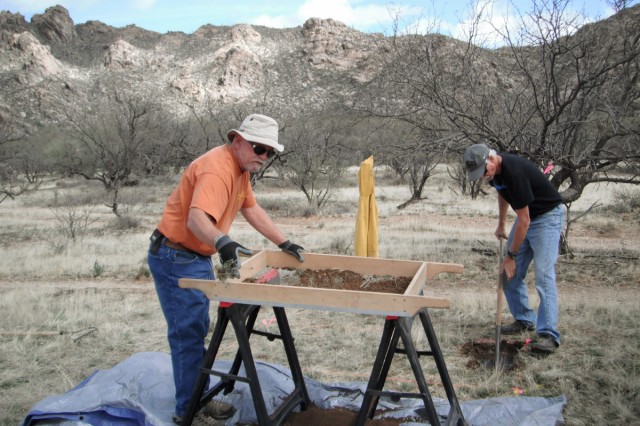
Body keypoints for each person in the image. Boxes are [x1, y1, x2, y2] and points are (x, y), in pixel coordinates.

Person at [148, 113, 305, 424]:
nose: (264, 157)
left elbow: (251, 208)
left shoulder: (239, 169)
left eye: (269, 152)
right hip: (176, 255)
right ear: (238, 142)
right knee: (188, 333)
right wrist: (223, 241)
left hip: (196, 255)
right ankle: (188, 410)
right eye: (259, 148)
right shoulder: (217, 170)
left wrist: (284, 242)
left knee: (196, 329)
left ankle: (198, 397)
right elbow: (196, 219)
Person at [463, 143, 564, 354]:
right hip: (527, 217)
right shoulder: (496, 174)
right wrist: (501, 223)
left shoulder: (514, 172)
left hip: (546, 217)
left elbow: (524, 220)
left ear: (491, 159)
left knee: (544, 276)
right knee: (508, 274)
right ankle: (525, 319)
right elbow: (503, 193)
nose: (482, 176)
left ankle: (548, 335)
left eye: (482, 171)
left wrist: (511, 255)